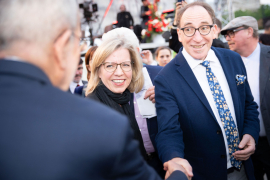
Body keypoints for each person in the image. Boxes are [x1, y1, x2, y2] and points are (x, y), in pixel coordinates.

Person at [0, 0, 190, 179]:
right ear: (63, 44)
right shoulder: (102, 125)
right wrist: (179, 172)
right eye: (78, 43)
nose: (119, 72)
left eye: (125, 65)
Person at [154, 2, 260, 180]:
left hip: (244, 169)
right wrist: (175, 159)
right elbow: (168, 130)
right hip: (203, 174)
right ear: (179, 34)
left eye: (204, 28)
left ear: (214, 30)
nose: (197, 38)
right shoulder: (166, 79)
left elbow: (248, 105)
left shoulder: (233, 59)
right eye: (188, 29)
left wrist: (250, 133)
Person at [85, 28, 166, 177]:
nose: (119, 72)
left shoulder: (122, 99)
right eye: (110, 65)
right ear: (98, 70)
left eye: (125, 65)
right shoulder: (95, 110)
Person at [221, 16, 270, 180]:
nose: (227, 38)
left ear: (250, 31)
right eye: (225, 35)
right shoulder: (224, 64)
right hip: (244, 147)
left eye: (231, 33)